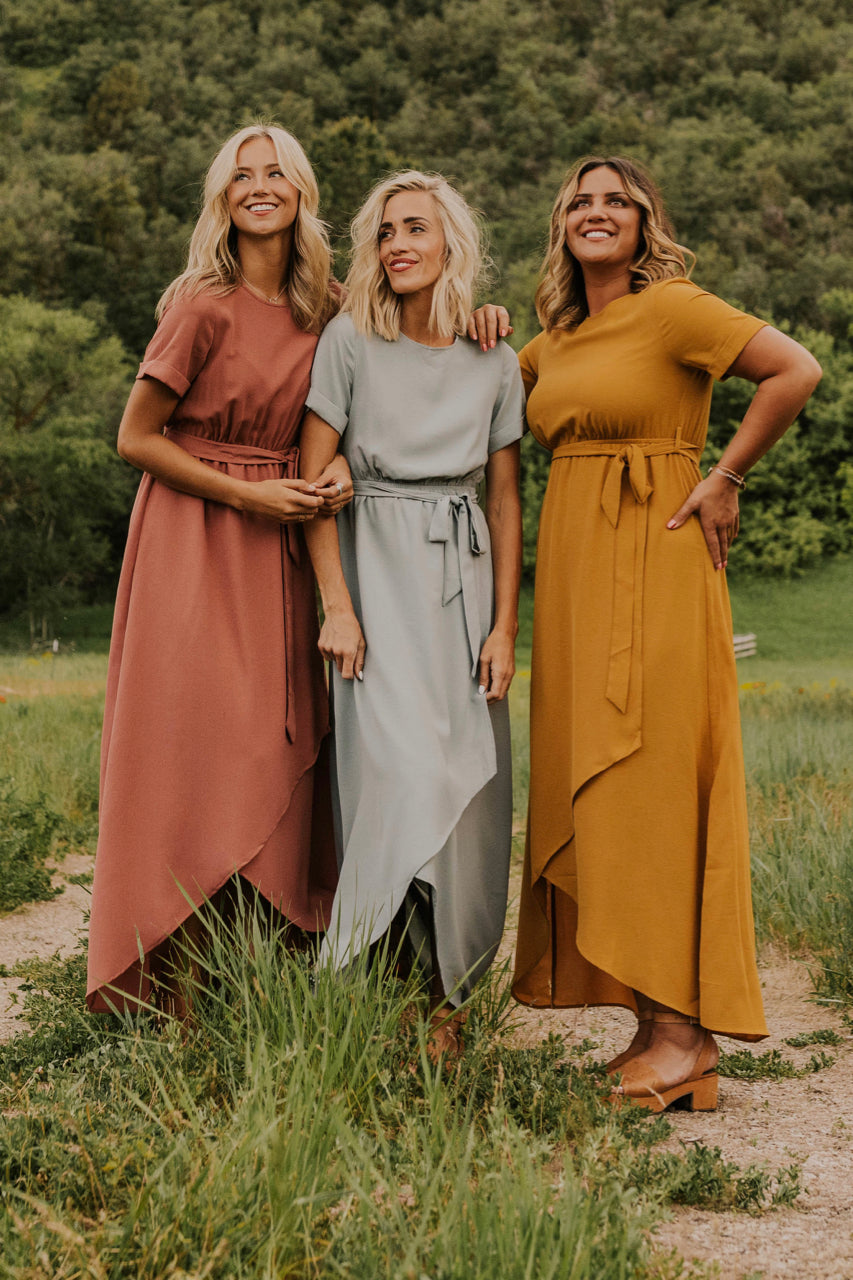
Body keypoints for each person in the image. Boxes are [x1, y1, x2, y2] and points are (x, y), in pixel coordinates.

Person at [511, 156, 821, 1111]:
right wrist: (480, 325)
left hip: (658, 556)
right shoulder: (548, 343)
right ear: (561, 226)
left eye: (617, 203)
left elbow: (793, 369)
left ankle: (685, 1035)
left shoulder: (677, 307)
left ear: (645, 226)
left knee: (651, 780)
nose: (597, 213)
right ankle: (653, 1027)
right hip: (572, 576)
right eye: (581, 202)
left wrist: (725, 475)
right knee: (598, 787)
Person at [87, 124, 354, 1015]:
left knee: (274, 737)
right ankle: (167, 972)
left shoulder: (330, 307)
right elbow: (135, 438)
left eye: (276, 172)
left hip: (282, 546)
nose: (260, 185)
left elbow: (403, 346)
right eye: (243, 175)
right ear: (223, 199)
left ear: (302, 192)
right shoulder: (200, 305)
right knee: (194, 745)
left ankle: (263, 966)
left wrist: (481, 321)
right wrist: (248, 498)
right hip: (195, 537)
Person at [299, 171, 524, 1057]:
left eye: (415, 229)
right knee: (394, 780)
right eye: (384, 231)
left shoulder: (494, 355)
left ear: (449, 245)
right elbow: (317, 480)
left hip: (462, 587)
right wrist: (338, 607)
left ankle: (448, 1004)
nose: (397, 244)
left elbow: (505, 501)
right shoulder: (349, 339)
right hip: (374, 575)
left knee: (467, 794)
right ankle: (375, 984)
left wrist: (505, 627)